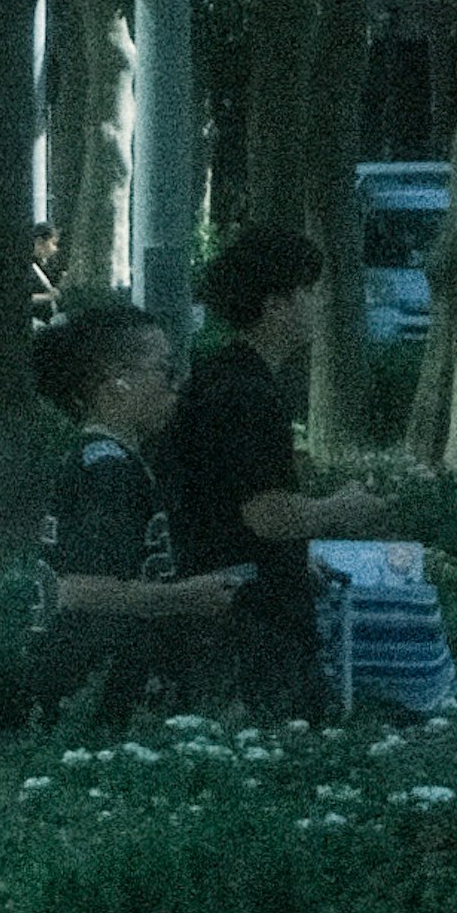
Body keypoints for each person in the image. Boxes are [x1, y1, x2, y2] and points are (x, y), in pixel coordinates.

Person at [28, 302, 249, 722]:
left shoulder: (99, 459)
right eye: (165, 370)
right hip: (92, 695)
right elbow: (80, 591)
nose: (176, 385)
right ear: (117, 380)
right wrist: (188, 597)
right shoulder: (109, 471)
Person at [160, 226, 338, 719]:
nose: (320, 303)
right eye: (310, 291)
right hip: (250, 618)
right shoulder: (248, 394)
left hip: (226, 601)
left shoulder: (219, 376)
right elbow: (267, 514)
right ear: (276, 305)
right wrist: (341, 508)